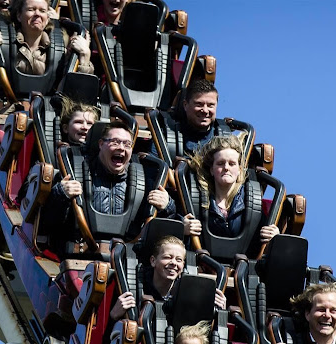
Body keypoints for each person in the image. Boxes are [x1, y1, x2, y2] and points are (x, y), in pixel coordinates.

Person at [40, 122, 171, 251]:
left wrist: (167, 206)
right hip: (76, 255)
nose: (121, 148)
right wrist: (60, 194)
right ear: (101, 144)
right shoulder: (73, 171)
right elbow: (46, 223)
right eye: (115, 142)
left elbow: (167, 229)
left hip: (126, 259)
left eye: (127, 144)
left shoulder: (144, 179)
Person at [0, 0, 93, 95]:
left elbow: (75, 94)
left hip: (45, 114)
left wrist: (84, 59)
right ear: (19, 15)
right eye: (31, 9)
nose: (37, 14)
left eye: (42, 11)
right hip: (6, 112)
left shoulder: (59, 49)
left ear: (48, 18)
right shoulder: (3, 44)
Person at [184, 134, 279, 245]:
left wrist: (276, 237)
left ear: (239, 170)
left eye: (232, 164)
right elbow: (173, 219)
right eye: (220, 163)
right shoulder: (196, 198)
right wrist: (182, 228)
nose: (226, 168)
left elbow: (263, 239)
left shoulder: (252, 204)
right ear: (211, 170)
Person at [109, 235, 226, 320]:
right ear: (153, 261)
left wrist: (219, 313)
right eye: (167, 257)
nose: (174, 263)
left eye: (179, 260)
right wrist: (114, 315)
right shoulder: (132, 287)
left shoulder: (189, 293)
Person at [155, 79, 231, 162]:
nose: (205, 110)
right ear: (185, 105)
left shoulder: (226, 139)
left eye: (210, 105)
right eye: (199, 104)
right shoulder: (166, 135)